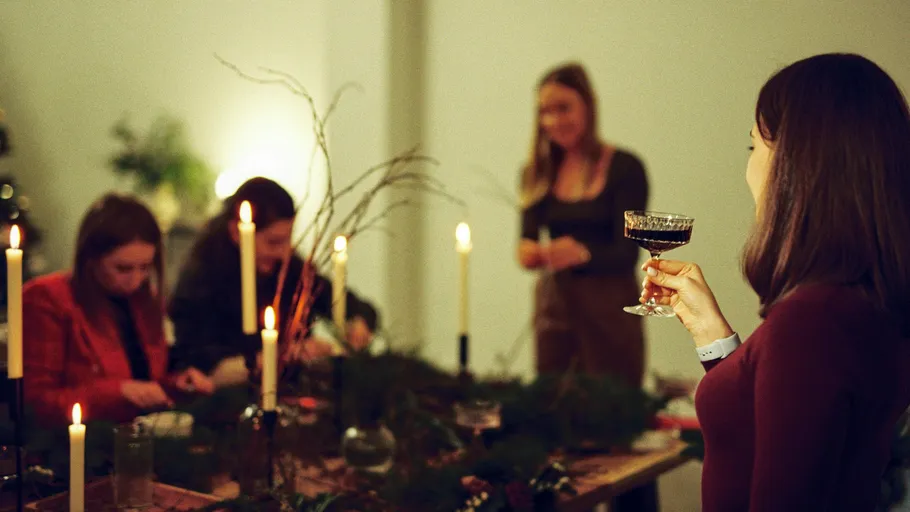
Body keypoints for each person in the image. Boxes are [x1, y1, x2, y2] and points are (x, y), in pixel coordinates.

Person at [641, 53, 910, 511]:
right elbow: (770, 423)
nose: (749, 168)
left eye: (754, 146)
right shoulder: (858, 302)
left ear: (793, 164)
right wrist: (715, 338)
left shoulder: (812, 323)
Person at [23, 194, 213, 426]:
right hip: (80, 443)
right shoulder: (47, 298)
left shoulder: (143, 301)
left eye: (144, 268)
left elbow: (146, 381)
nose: (136, 280)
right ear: (91, 258)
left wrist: (178, 384)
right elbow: (37, 403)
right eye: (123, 268)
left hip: (143, 436)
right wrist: (118, 392)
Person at [168, 177, 379, 384]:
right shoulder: (202, 279)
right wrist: (283, 354)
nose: (284, 253)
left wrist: (358, 322)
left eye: (288, 239)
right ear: (236, 232)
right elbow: (200, 362)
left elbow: (348, 303)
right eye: (274, 242)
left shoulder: (290, 270)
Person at [518, 62, 649, 386]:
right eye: (545, 111)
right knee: (552, 405)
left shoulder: (625, 168)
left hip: (610, 313)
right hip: (555, 312)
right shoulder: (536, 172)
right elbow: (525, 244)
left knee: (610, 407)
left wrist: (580, 253)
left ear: (588, 106)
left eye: (563, 108)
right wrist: (534, 252)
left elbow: (628, 253)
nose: (554, 121)